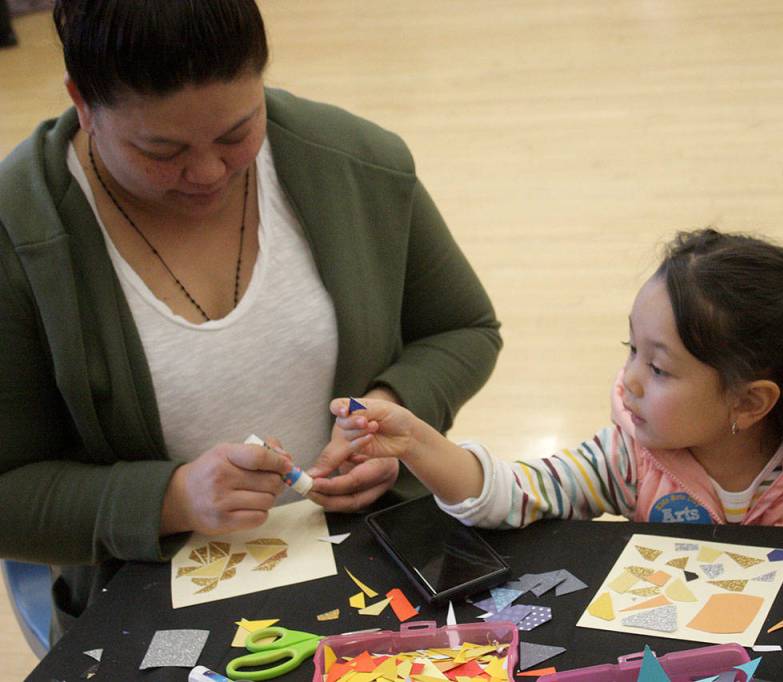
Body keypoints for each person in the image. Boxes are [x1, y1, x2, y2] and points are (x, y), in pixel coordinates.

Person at [0, 0, 500, 638]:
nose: (208, 173)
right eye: (161, 150)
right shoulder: (17, 237)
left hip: (378, 562)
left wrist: (386, 414)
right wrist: (172, 500)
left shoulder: (353, 162)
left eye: (237, 134)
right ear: (82, 103)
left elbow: (463, 328)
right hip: (149, 607)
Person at [329, 229, 783, 533]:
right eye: (632, 349)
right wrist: (418, 442)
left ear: (750, 402)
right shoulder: (627, 457)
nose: (628, 382)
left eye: (658, 368)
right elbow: (511, 497)